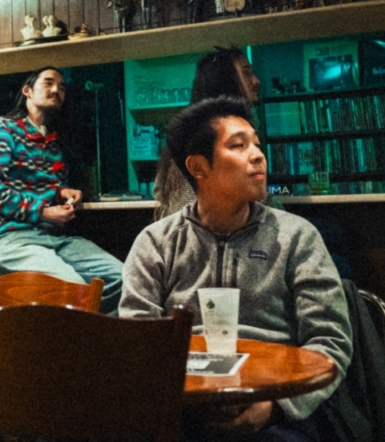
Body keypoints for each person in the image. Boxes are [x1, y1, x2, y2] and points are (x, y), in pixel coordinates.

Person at [120, 97, 352, 441]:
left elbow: (330, 340)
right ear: (198, 167)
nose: (258, 155)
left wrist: (276, 406)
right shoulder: (156, 242)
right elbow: (138, 341)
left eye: (256, 144)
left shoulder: (296, 236)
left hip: (277, 405)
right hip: (181, 407)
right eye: (238, 145)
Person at [0, 67, 124, 313]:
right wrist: (43, 212)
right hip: (8, 239)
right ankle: (82, 333)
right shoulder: (0, 130)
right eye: (48, 83)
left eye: (62, 87)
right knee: (74, 290)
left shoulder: (53, 141)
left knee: (124, 278)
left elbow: (44, 183)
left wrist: (62, 192)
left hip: (54, 239)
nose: (56, 90)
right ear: (27, 91)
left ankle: (95, 333)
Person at [153, 46, 260, 220]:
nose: (256, 81)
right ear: (224, 80)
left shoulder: (194, 136)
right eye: (247, 73)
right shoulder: (202, 142)